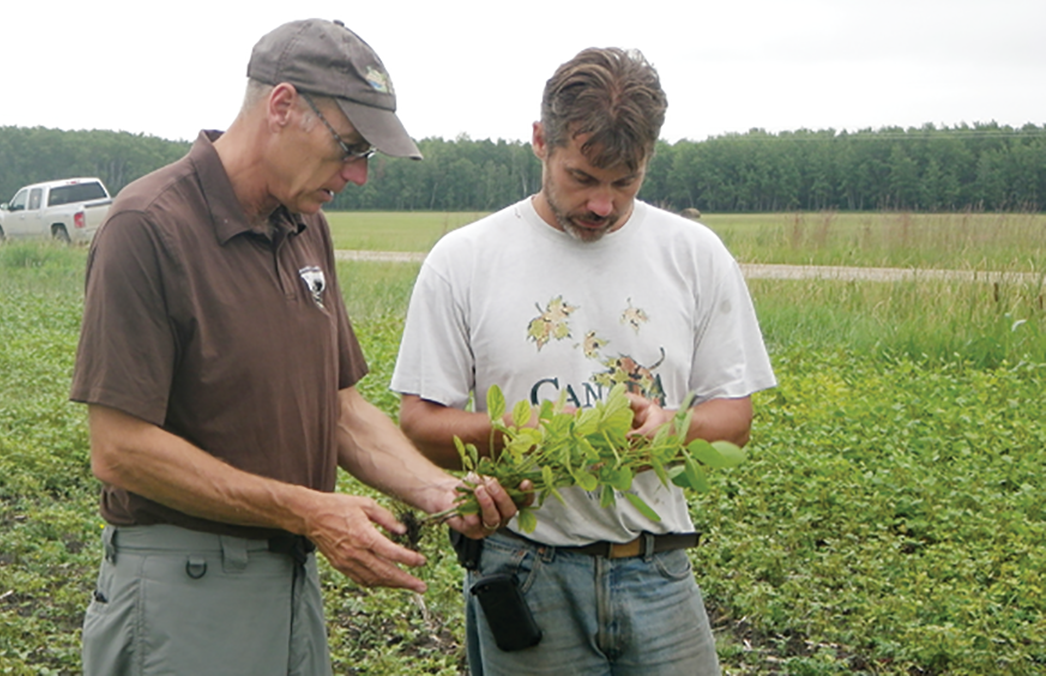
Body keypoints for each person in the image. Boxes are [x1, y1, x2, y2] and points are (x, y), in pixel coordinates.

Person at [70, 18, 521, 676]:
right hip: (181, 593)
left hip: (290, 580)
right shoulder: (149, 227)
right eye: (350, 146)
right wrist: (310, 510)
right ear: (282, 106)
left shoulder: (306, 227)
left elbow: (337, 408)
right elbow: (120, 449)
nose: (360, 174)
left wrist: (440, 492)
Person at [392, 47, 777, 675]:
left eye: (624, 183)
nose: (603, 205)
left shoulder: (695, 255)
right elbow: (421, 421)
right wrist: (523, 436)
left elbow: (734, 416)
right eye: (583, 178)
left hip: (658, 568)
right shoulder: (464, 260)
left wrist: (671, 430)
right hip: (525, 566)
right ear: (541, 140)